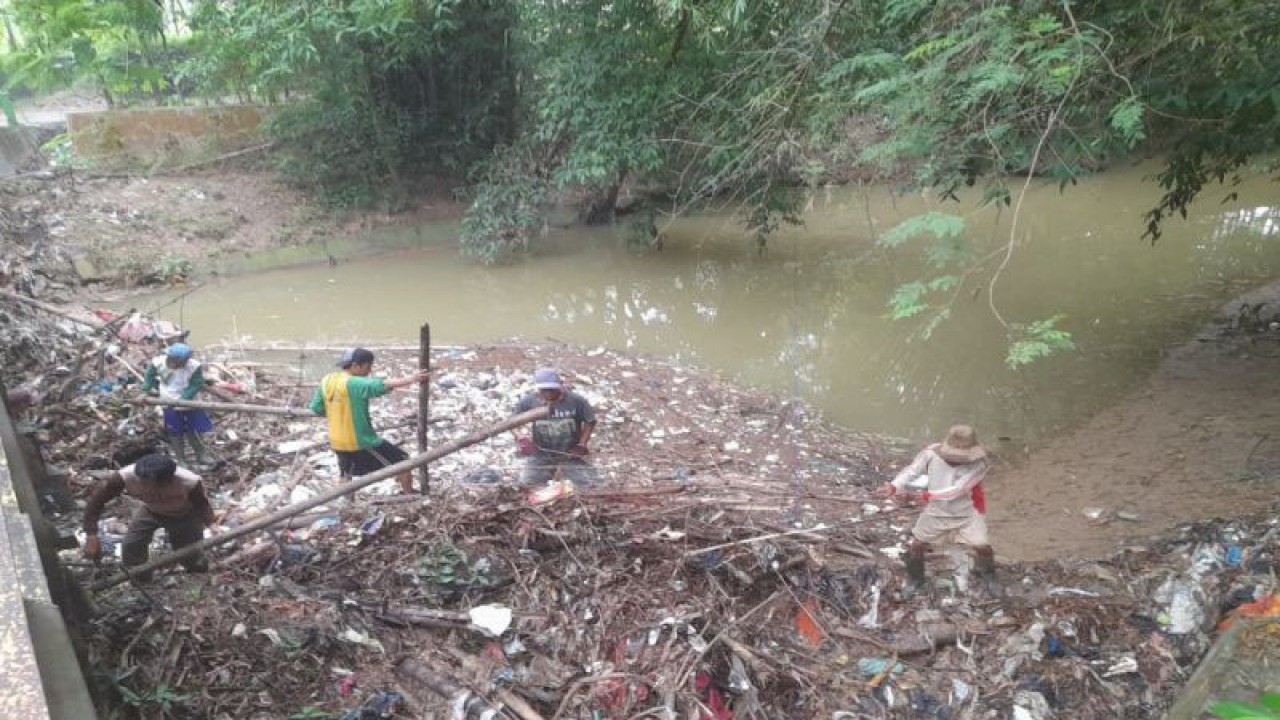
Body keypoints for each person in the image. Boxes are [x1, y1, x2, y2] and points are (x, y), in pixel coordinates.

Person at [879, 424, 999, 598]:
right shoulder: (931, 453)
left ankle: (989, 574)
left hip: (966, 512)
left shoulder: (981, 464)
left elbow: (958, 489)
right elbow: (912, 470)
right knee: (917, 545)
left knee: (982, 546)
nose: (956, 460)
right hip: (936, 510)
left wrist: (923, 496)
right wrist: (894, 485)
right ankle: (916, 579)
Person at [309, 347, 431, 494]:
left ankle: (346, 505)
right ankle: (409, 495)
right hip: (360, 441)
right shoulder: (353, 383)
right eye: (368, 366)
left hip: (336, 441)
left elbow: (316, 408)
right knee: (403, 461)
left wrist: (338, 413)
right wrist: (411, 379)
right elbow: (378, 385)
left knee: (346, 473)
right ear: (355, 366)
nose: (369, 371)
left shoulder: (327, 380)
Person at [82, 453, 214, 581]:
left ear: (168, 480)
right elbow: (96, 502)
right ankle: (141, 580)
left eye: (154, 485)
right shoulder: (124, 477)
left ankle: (198, 574)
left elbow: (202, 504)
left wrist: (212, 525)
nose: (147, 487)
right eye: (144, 483)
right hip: (151, 511)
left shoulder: (188, 481)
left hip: (185, 514)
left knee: (188, 553)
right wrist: (91, 534)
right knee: (131, 545)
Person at [511, 368, 599, 486]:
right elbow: (512, 422)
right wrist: (521, 438)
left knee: (590, 484)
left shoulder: (576, 401)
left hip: (569, 453)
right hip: (540, 452)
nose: (548, 393)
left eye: (552, 390)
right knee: (527, 484)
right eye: (544, 390)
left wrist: (582, 444)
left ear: (560, 387)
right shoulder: (530, 401)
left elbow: (590, 421)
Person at [142, 343, 214, 467]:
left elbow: (196, 384)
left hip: (190, 403)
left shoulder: (193, 367)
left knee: (194, 430)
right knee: (175, 432)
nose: (183, 363)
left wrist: (184, 399)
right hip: (168, 402)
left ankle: (201, 454)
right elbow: (149, 377)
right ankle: (181, 459)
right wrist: (146, 390)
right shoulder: (158, 363)